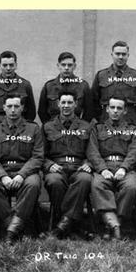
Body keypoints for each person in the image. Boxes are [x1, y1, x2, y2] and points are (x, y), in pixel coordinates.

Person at [0, 94, 44, 244]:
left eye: (16, 106)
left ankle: (11, 231)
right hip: (2, 171)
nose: (13, 110)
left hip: (25, 171)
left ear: (22, 108)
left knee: (33, 185)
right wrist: (3, 176)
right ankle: (14, 226)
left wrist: (21, 175)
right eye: (9, 106)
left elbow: (37, 157)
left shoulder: (33, 129)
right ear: (3, 108)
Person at [87, 96, 136, 239]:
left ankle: (115, 224)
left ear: (125, 111)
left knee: (130, 186)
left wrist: (124, 168)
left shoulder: (132, 130)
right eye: (113, 108)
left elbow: (134, 152)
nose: (115, 111)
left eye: (119, 108)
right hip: (104, 167)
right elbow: (93, 152)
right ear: (107, 109)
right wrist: (103, 169)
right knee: (97, 185)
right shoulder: (97, 129)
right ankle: (114, 226)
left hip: (125, 168)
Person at [42, 91, 93, 238]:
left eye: (70, 103)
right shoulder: (48, 127)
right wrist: (48, 164)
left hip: (79, 167)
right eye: (63, 102)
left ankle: (61, 226)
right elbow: (40, 154)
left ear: (76, 104)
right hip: (56, 167)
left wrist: (89, 163)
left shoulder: (86, 126)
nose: (66, 106)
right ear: (58, 104)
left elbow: (93, 151)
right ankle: (73, 225)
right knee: (54, 181)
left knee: (85, 179)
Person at [91, 41, 136, 125]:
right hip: (106, 121)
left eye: (124, 54)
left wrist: (133, 118)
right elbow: (93, 101)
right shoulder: (101, 75)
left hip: (129, 122)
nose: (120, 57)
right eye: (117, 54)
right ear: (112, 55)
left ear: (128, 55)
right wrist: (102, 118)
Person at [0, 50, 36, 125]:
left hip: (20, 126)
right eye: (4, 65)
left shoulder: (25, 84)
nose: (8, 68)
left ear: (16, 65)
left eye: (11, 65)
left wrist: (24, 125)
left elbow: (31, 111)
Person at [38, 52, 93, 123]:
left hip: (77, 128)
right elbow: (42, 112)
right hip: (54, 129)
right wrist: (50, 127)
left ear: (74, 66)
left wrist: (81, 127)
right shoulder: (49, 86)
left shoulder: (83, 86)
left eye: (69, 65)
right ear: (58, 66)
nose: (66, 68)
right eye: (63, 65)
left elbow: (89, 111)